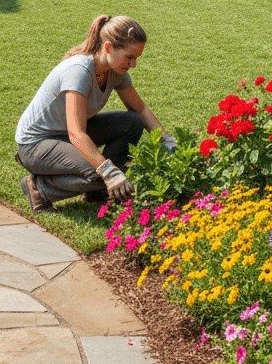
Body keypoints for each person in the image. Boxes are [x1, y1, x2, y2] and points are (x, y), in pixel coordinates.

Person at [14, 14, 174, 214]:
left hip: (65, 134)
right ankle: (39, 188)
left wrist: (166, 139)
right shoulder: (79, 71)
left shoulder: (115, 70)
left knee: (133, 121)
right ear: (108, 48)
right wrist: (108, 171)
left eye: (136, 58)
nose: (133, 64)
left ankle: (98, 191)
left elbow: (141, 109)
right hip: (36, 144)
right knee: (99, 173)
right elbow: (76, 133)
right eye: (129, 57)